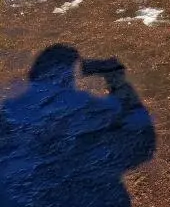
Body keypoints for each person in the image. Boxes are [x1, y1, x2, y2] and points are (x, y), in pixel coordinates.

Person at [0, 44, 155, 207]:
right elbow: (143, 142)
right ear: (70, 75)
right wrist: (115, 77)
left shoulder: (9, 112)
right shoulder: (90, 109)